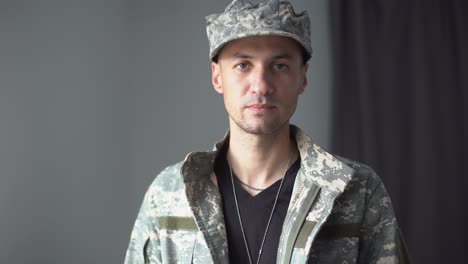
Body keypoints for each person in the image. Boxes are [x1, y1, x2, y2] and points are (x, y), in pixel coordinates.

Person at [124, 0, 411, 263]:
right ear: (217, 76)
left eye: (279, 65)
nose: (261, 85)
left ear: (303, 77)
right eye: (243, 65)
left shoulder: (358, 191)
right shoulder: (169, 194)